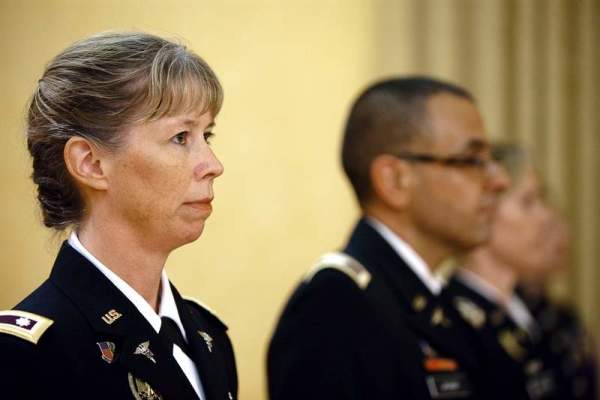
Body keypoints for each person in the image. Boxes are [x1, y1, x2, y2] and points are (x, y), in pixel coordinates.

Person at [0, 32, 237, 400]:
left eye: (207, 135)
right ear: (91, 163)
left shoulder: (209, 338)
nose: (213, 165)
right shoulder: (26, 358)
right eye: (180, 137)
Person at [267, 77, 509, 399]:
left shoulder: (448, 305)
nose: (499, 181)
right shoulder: (335, 308)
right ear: (394, 180)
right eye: (472, 160)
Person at [445, 144, 596, 399]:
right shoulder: (453, 321)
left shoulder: (537, 313)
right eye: (527, 202)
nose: (546, 217)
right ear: (483, 209)